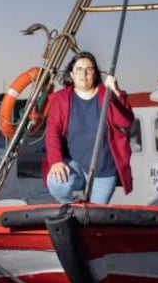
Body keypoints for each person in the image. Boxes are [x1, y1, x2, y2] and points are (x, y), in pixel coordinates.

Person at [44, 51, 134, 204]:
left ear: (95, 74)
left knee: (94, 217)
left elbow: (125, 122)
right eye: (79, 69)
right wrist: (56, 161)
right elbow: (53, 131)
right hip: (75, 165)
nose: (84, 73)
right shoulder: (61, 99)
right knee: (56, 183)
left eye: (89, 69)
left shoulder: (107, 95)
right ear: (72, 74)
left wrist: (116, 92)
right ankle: (72, 207)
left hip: (104, 170)